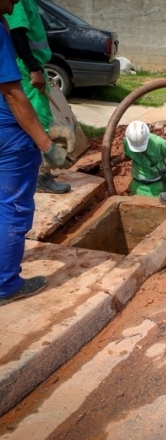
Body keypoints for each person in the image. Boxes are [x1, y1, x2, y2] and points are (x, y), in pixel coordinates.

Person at [1, 0, 71, 305]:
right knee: (13, 208)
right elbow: (14, 96)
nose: (15, 2)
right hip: (8, 135)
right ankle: (6, 285)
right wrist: (46, 145)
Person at [7, 0, 71, 194]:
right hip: (27, 68)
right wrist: (33, 68)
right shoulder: (17, 2)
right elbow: (17, 33)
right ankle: (41, 177)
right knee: (38, 121)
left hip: (26, 65)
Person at [111, 121, 166, 197]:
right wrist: (113, 162)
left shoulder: (159, 143)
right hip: (137, 184)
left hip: (157, 185)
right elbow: (127, 154)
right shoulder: (127, 142)